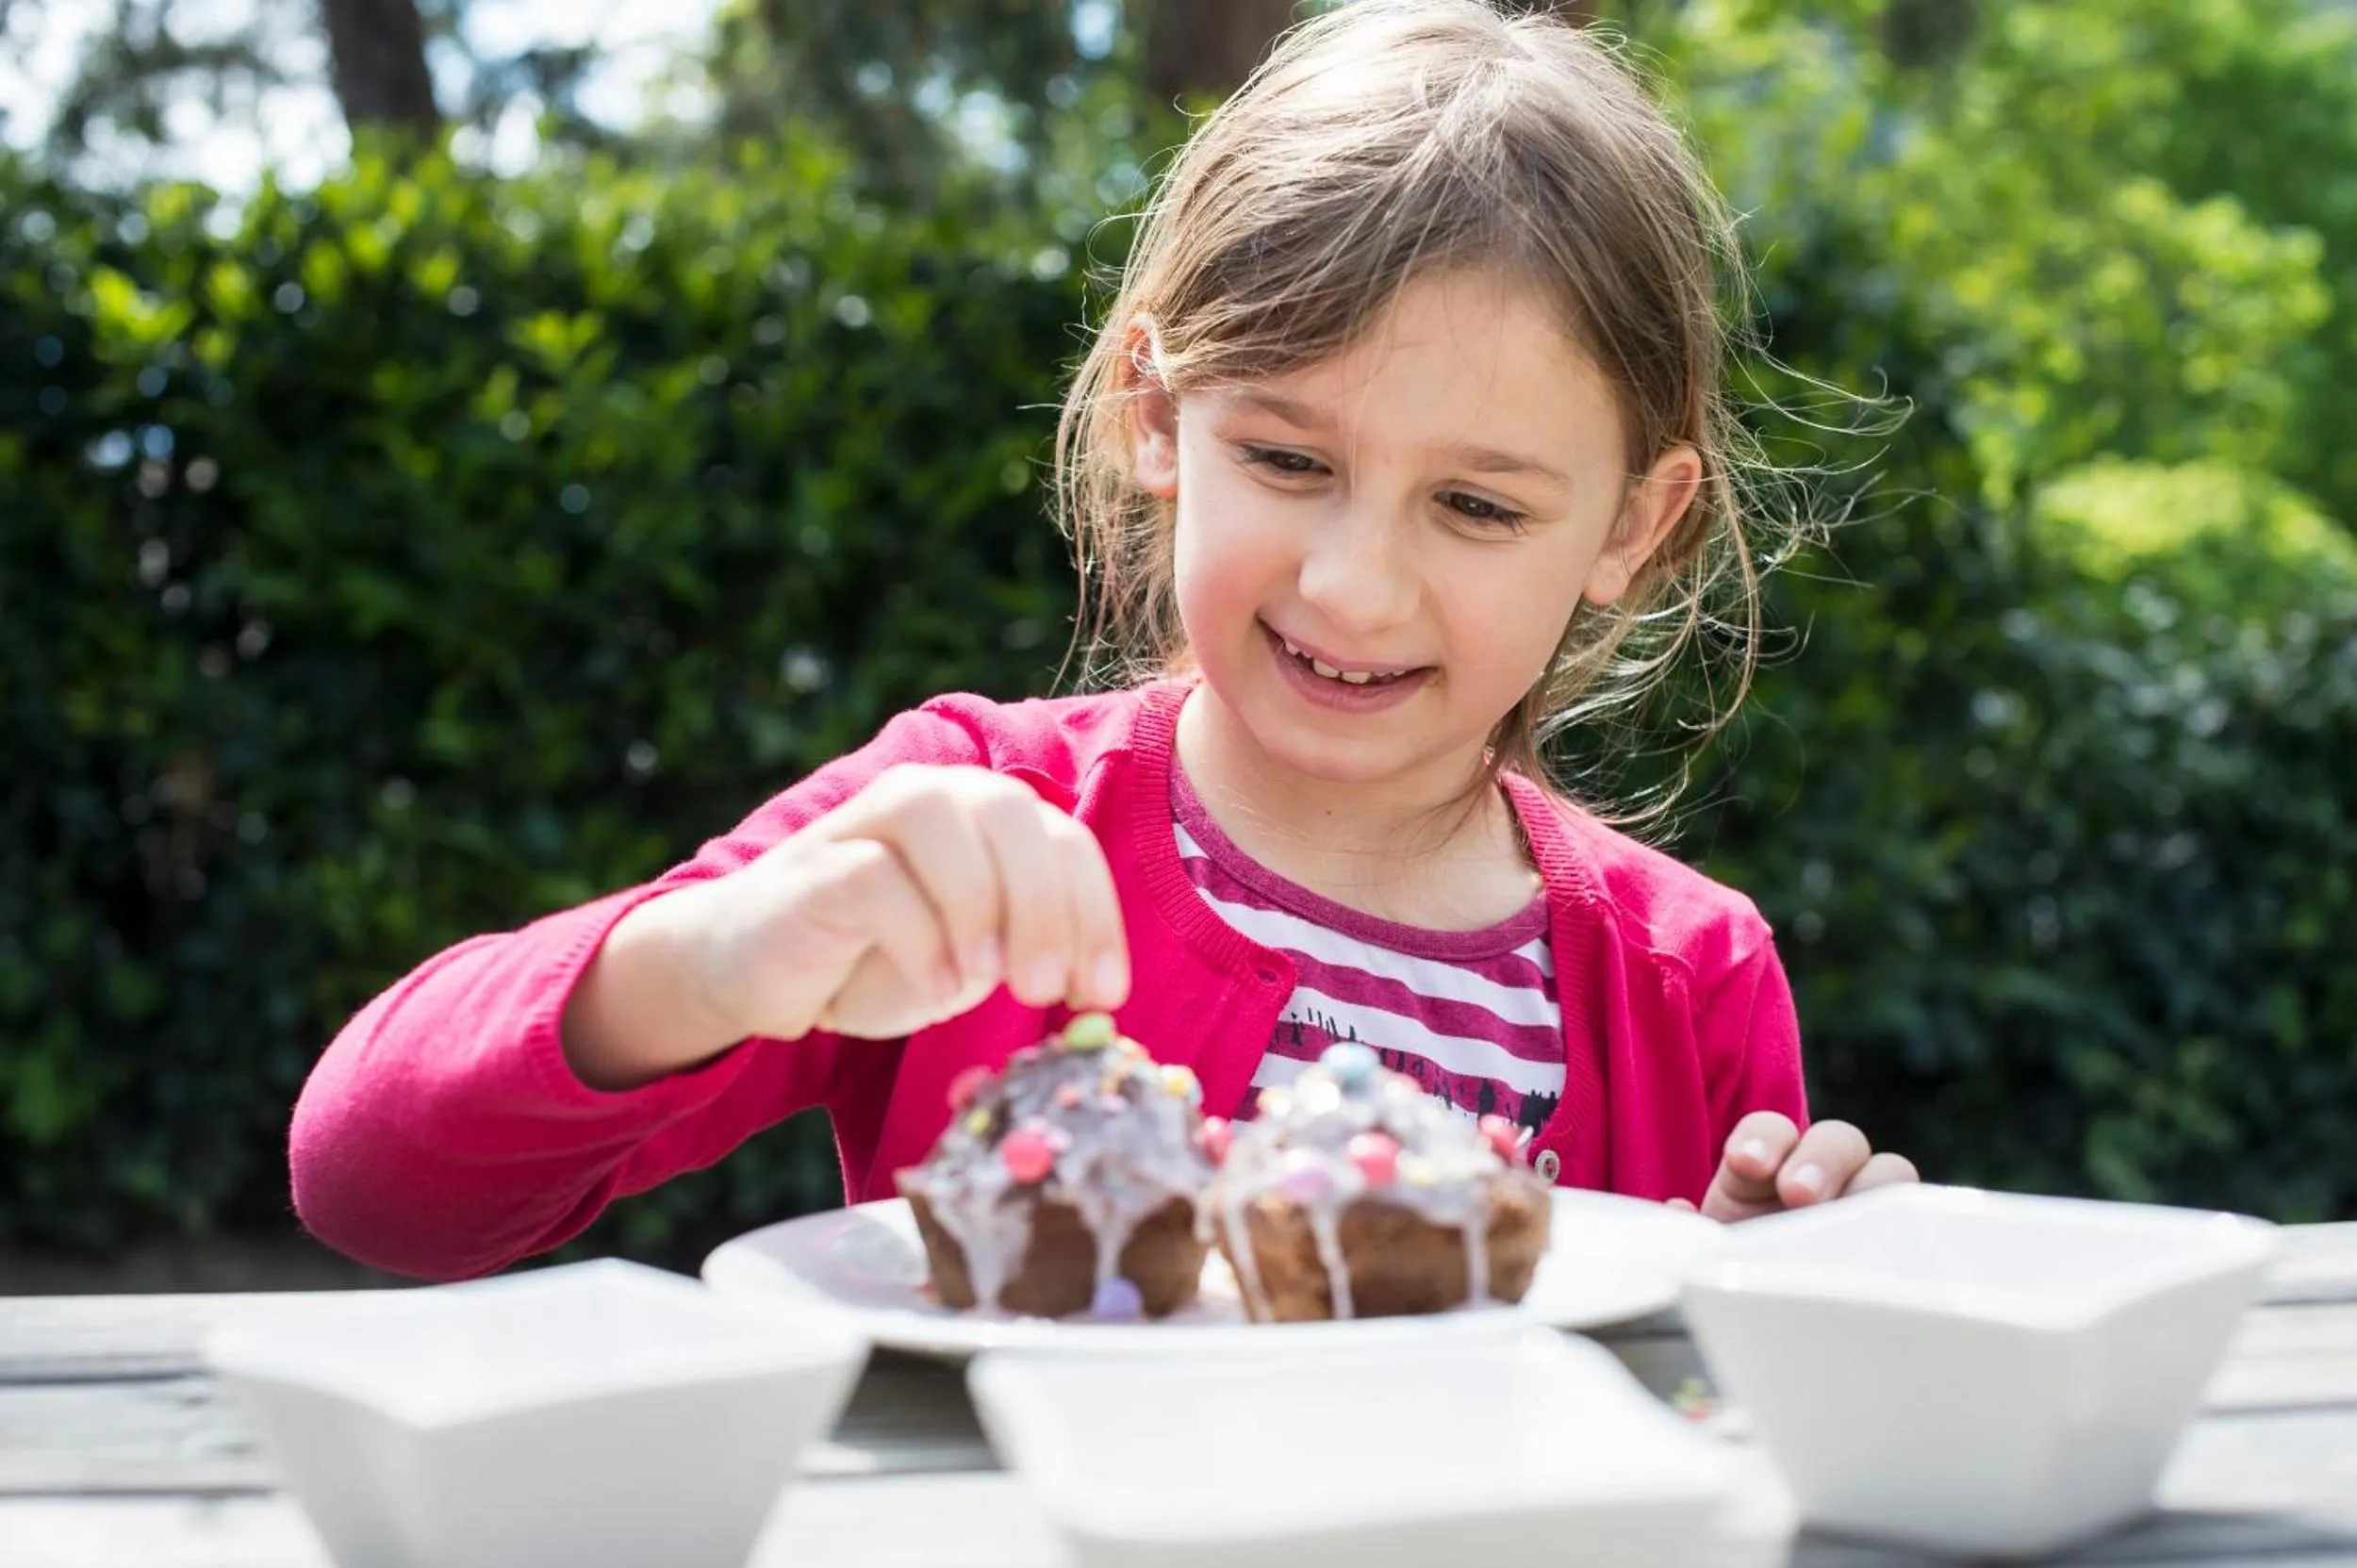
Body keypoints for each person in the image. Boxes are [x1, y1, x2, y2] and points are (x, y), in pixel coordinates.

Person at [292, 0, 1916, 1283]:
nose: (1353, 586)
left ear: (1630, 528)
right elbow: (375, 1180)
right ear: (1160, 413)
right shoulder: (964, 827)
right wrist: (716, 957)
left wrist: (1794, 1295)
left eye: (1477, 509)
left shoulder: (1687, 978)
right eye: (1288, 460)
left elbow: (1704, 1424)